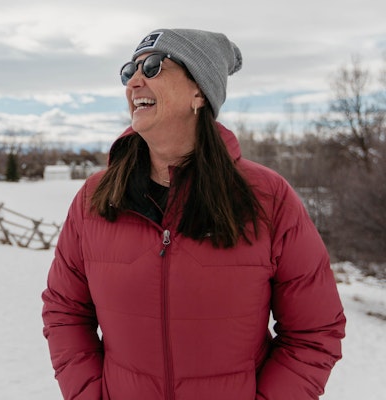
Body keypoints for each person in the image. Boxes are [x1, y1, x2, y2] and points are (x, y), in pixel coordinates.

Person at [42, 28, 346, 400]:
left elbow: (314, 332)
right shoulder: (96, 197)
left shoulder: (268, 198)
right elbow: (64, 311)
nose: (134, 82)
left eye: (153, 67)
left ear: (199, 92)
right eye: (129, 71)